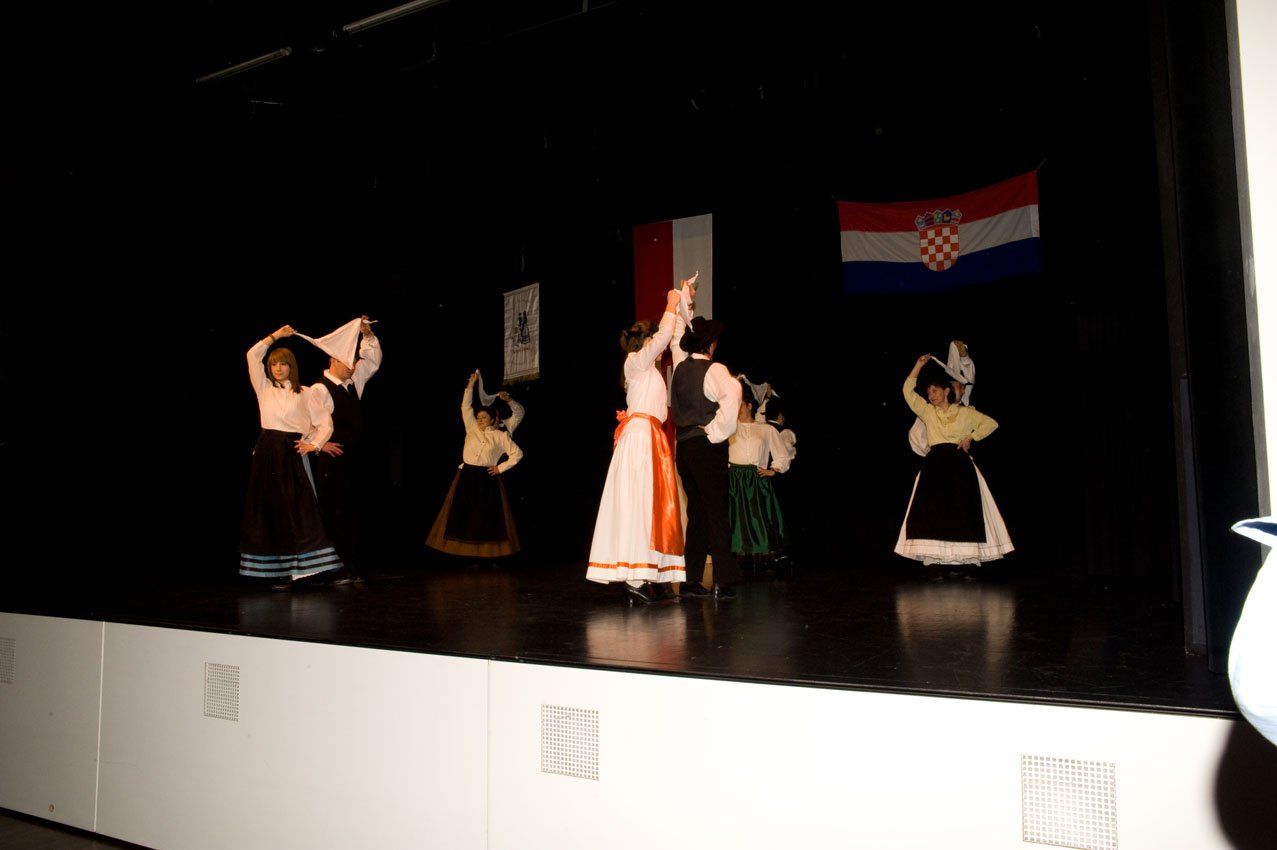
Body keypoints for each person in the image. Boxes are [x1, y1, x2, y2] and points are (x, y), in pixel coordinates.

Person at [586, 288, 687, 604]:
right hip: (641, 438)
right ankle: (635, 577)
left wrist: (682, 304)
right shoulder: (635, 362)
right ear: (646, 341)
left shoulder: (650, 370)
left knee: (653, 506)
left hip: (651, 437)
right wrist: (670, 304)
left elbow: (672, 338)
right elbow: (663, 338)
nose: (659, 346)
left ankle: (652, 573)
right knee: (639, 504)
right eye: (654, 340)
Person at [239, 325, 343, 588]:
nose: (277, 368)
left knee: (298, 508)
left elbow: (324, 423)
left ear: (291, 367)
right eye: (274, 364)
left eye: (283, 364)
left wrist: (313, 444)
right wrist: (275, 336)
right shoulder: (264, 388)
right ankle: (277, 570)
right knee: (269, 509)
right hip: (267, 452)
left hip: (290, 451)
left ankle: (306, 570)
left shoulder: (306, 393)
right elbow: (252, 355)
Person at [895, 354, 1013, 572]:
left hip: (959, 467)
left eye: (935, 391)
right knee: (933, 512)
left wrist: (971, 437)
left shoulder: (965, 413)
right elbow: (907, 391)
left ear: (946, 391)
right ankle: (934, 561)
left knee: (963, 511)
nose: (931, 395)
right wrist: (918, 365)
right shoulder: (928, 412)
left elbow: (991, 423)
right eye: (929, 392)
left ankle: (966, 561)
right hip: (935, 467)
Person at [671, 314, 743, 600]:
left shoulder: (680, 369)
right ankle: (723, 581)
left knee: (698, 513)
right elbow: (733, 397)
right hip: (705, 448)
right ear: (711, 344)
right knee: (716, 512)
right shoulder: (714, 369)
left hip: (684, 450)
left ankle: (691, 581)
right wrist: (714, 432)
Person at [310, 316, 382, 585]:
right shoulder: (319, 388)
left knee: (354, 511)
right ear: (333, 361)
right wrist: (319, 444)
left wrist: (367, 335)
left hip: (355, 459)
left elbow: (372, 361)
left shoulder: (353, 382)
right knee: (334, 513)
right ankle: (335, 567)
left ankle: (351, 565)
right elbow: (306, 419)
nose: (353, 366)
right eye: (348, 362)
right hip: (333, 461)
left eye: (353, 362)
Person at [426, 371, 524, 559]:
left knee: (487, 517)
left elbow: (517, 450)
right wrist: (470, 385)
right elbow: (465, 407)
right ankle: (465, 556)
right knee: (462, 515)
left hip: (486, 478)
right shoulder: (472, 428)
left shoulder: (503, 432)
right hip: (466, 476)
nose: (479, 420)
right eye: (478, 417)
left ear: (494, 418)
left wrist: (500, 468)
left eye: (484, 417)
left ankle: (490, 557)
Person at [727, 378, 791, 562]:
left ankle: (761, 556)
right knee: (737, 519)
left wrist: (774, 469)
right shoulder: (730, 428)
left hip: (756, 478)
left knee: (758, 518)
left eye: (740, 405)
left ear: (749, 406)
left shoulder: (765, 430)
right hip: (735, 479)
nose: (737, 410)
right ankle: (738, 557)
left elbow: (781, 454)